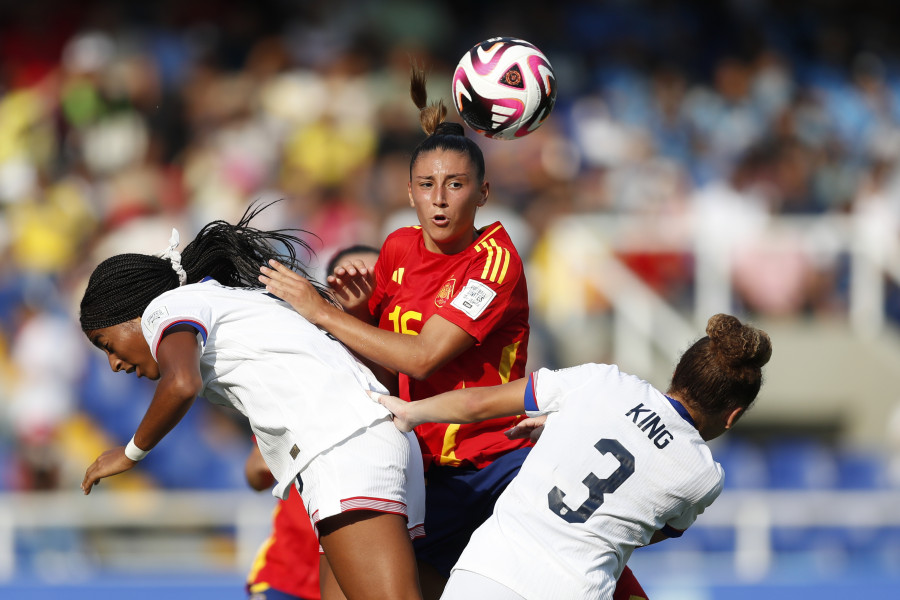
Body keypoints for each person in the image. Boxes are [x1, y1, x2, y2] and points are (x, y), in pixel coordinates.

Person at [259, 65, 532, 598]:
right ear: (409, 192)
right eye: (427, 185)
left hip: (482, 466)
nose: (440, 199)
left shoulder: (494, 261)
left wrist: (323, 312)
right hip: (412, 462)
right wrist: (357, 315)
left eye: (456, 185)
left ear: (483, 193)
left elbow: (425, 357)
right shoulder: (397, 248)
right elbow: (383, 367)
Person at [78, 203, 424, 600]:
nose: (114, 363)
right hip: (365, 441)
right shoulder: (223, 299)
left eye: (107, 344)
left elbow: (182, 384)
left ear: (132, 315)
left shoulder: (165, 308)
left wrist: (130, 454)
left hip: (343, 448)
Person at [374, 313, 772, 599]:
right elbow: (635, 525)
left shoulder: (602, 381)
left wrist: (413, 412)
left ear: (678, 372)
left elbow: (480, 405)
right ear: (733, 416)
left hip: (488, 571)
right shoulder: (704, 476)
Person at [244, 245, 380, 600]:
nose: (363, 291)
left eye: (374, 283)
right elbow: (256, 471)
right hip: (290, 577)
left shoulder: (412, 374)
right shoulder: (309, 370)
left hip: (365, 577)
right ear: (328, 297)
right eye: (348, 282)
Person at [245, 444, 321, 600]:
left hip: (346, 573)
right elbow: (255, 475)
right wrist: (262, 462)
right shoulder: (294, 419)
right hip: (282, 571)